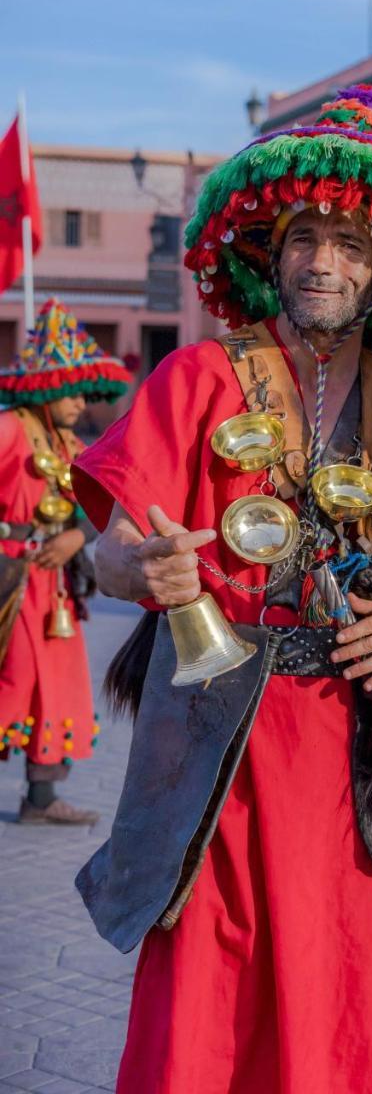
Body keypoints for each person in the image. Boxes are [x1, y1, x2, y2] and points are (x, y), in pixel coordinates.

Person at [72, 85, 372, 1094]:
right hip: (219, 737)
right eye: (306, 237)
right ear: (270, 249)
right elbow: (104, 546)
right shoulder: (197, 380)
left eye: (350, 245)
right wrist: (139, 567)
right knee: (210, 994)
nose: (323, 261)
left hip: (359, 747)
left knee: (354, 982)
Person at [0, 299, 130, 823]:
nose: (81, 402)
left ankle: (41, 800)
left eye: (84, 392)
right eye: (71, 391)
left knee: (54, 689)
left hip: (54, 590)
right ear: (47, 388)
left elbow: (102, 503)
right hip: (10, 579)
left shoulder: (72, 443)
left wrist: (77, 538)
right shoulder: (9, 429)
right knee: (11, 681)